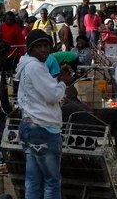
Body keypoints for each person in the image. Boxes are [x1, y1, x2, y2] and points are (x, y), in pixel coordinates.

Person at [16, 30, 72, 199]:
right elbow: (53, 95)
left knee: (33, 179)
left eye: (46, 45)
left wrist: (58, 79)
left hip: (29, 126)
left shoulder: (28, 65)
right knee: (51, 181)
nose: (43, 50)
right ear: (30, 50)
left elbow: (43, 91)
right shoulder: (35, 66)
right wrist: (63, 83)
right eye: (38, 46)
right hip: (43, 128)